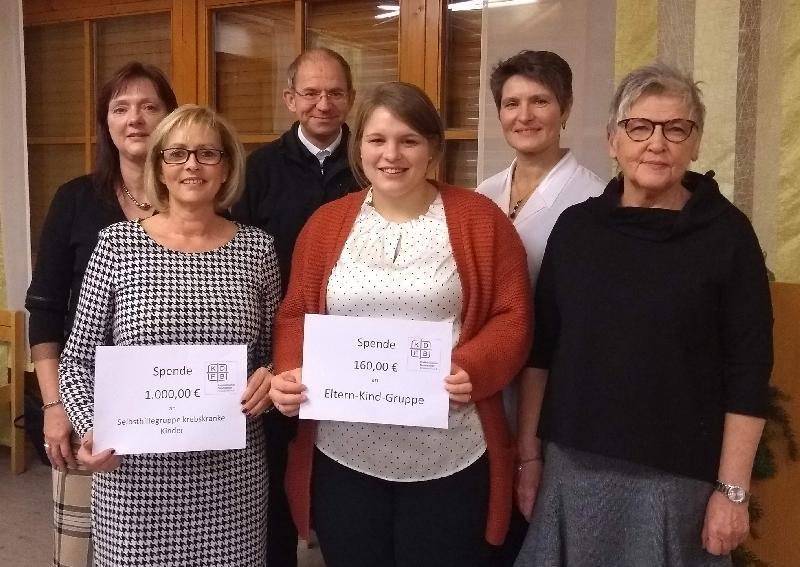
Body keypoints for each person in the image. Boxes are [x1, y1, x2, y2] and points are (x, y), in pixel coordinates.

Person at [515, 63, 773, 566]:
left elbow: (748, 372)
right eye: (640, 127)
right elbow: (541, 352)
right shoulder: (577, 229)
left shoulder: (727, 237)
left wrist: (733, 491)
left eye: (676, 128)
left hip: (678, 479)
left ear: (695, 143)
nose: (657, 143)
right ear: (614, 140)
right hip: (573, 467)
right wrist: (528, 455)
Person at [269, 81, 532, 567]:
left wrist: (474, 366)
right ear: (359, 147)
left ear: (432, 147)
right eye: (377, 140)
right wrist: (288, 372)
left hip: (450, 455)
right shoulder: (325, 224)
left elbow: (513, 315)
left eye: (408, 140)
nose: (392, 154)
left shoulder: (480, 219)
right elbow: (294, 314)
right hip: (344, 457)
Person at [58, 104, 281, 566]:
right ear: (159, 167)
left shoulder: (258, 249)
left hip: (230, 481)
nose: (192, 165)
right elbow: (77, 361)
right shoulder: (115, 246)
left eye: (206, 153)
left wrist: (270, 377)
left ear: (227, 168)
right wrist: (89, 426)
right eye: (177, 154)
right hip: (135, 482)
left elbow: (272, 353)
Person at [25, 61, 177, 567]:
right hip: (86, 401)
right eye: (120, 107)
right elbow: (45, 310)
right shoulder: (75, 199)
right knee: (81, 550)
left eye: (149, 106)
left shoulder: (199, 201)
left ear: (170, 118)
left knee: (170, 545)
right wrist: (55, 406)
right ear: (106, 123)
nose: (135, 118)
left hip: (179, 406)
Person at [231, 47, 361, 566]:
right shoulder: (257, 169)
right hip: (281, 348)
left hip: (360, 351)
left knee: (346, 474)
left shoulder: (372, 160)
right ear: (290, 99)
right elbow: (236, 257)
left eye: (334, 92)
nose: (323, 103)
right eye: (310, 92)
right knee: (281, 471)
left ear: (351, 99)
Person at [475, 50, 604, 563]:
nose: (524, 116)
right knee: (490, 522)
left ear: (565, 108)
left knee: (541, 525)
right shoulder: (484, 195)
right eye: (511, 103)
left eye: (540, 101)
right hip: (488, 382)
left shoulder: (594, 200)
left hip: (555, 386)